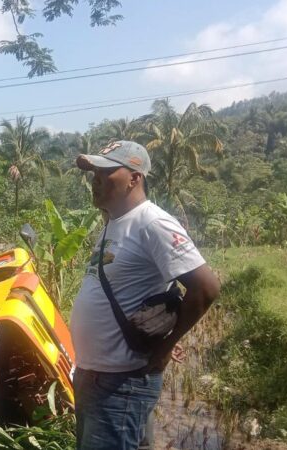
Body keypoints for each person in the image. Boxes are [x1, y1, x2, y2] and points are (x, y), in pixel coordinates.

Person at [70, 140, 221, 450]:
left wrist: (166, 347)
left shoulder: (153, 223)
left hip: (120, 383)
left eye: (105, 171)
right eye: (93, 172)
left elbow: (205, 288)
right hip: (95, 376)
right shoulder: (113, 224)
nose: (95, 179)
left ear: (134, 178)